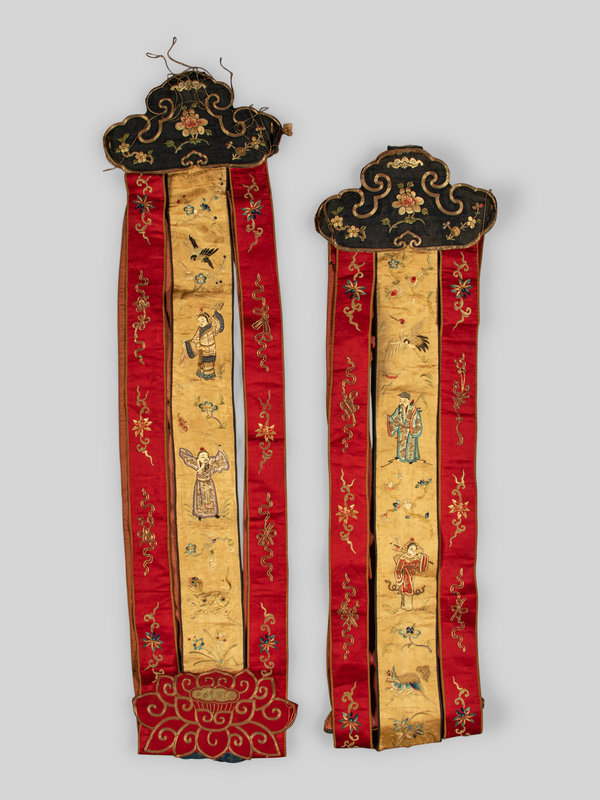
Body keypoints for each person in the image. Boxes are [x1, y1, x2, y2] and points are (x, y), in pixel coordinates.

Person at [178, 447, 229, 519]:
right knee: (200, 499)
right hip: (200, 483)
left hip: (208, 483)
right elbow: (188, 458)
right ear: (199, 457)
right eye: (202, 456)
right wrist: (183, 452)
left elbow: (219, 461)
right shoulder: (196, 463)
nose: (204, 458)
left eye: (205, 456)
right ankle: (200, 514)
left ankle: (213, 513)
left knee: (209, 498)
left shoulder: (210, 463)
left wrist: (220, 451)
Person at [185, 304, 225, 380]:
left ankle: (209, 376)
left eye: (202, 320)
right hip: (202, 349)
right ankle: (202, 374)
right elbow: (196, 338)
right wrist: (191, 343)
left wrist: (217, 312)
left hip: (210, 349)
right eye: (199, 321)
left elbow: (216, 324)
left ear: (208, 320)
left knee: (209, 363)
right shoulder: (199, 329)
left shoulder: (211, 328)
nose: (201, 323)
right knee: (202, 362)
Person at [393, 539, 429, 611]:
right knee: (406, 589)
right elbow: (398, 569)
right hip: (404, 576)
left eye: (415, 550)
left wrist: (424, 559)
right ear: (407, 549)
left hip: (411, 577)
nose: (413, 551)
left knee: (409, 589)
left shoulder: (415, 559)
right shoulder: (403, 558)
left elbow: (420, 570)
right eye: (411, 549)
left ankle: (406, 605)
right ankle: (406, 606)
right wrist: (399, 578)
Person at [387, 392, 422, 462]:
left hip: (410, 430)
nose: (402, 403)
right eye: (401, 401)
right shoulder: (399, 409)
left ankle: (410, 459)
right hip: (402, 430)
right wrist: (390, 419)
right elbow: (394, 417)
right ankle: (401, 457)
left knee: (410, 445)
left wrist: (414, 430)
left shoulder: (414, 410)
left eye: (404, 401)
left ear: (408, 401)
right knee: (401, 444)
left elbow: (418, 421)